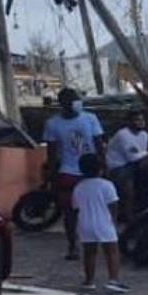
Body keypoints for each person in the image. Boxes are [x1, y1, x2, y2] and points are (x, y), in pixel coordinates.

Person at [41, 88, 105, 261]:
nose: (77, 102)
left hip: (90, 171)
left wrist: (103, 168)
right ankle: (73, 245)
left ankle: (95, 242)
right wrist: (52, 177)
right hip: (67, 172)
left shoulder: (90, 118)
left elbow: (99, 144)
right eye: (73, 99)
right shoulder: (53, 124)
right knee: (69, 212)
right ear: (63, 103)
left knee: (93, 210)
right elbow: (52, 154)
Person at [72, 153, 128, 294]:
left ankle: (89, 281)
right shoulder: (107, 185)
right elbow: (113, 205)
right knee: (112, 252)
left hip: (85, 223)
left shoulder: (79, 187)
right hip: (104, 222)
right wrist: (114, 221)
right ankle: (113, 280)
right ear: (101, 169)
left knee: (89, 253)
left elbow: (76, 208)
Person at [106, 109, 148, 225]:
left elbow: (140, 154)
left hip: (134, 164)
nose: (141, 122)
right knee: (128, 189)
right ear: (129, 122)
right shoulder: (123, 135)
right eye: (137, 120)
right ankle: (129, 218)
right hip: (119, 166)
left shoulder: (145, 135)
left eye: (142, 119)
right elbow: (132, 157)